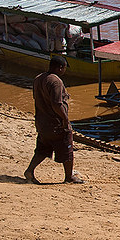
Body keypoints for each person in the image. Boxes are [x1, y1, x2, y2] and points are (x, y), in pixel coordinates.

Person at [24, 55, 83, 184]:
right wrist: (65, 119)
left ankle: (30, 170)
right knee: (67, 148)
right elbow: (57, 104)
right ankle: (69, 177)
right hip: (55, 123)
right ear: (60, 68)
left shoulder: (39, 78)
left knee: (42, 148)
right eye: (65, 68)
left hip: (42, 122)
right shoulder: (55, 81)